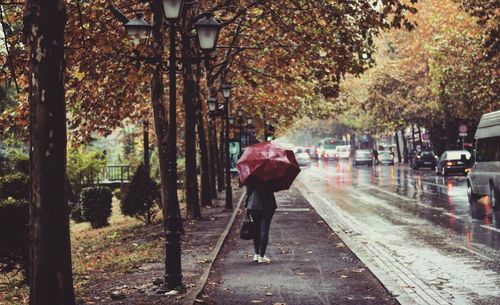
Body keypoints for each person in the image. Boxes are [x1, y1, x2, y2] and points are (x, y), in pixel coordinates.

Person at [244, 186, 277, 264]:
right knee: (264, 229)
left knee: (256, 229)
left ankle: (256, 254)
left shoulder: (252, 176)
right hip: (268, 203)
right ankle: (262, 256)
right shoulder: (270, 174)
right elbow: (275, 187)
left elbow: (248, 191)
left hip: (254, 203)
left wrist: (247, 203)